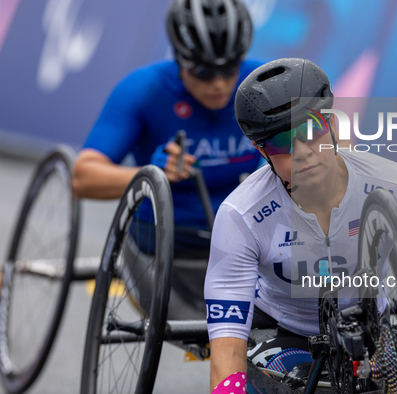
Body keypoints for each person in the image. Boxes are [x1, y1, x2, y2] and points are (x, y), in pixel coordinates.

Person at [205, 58, 397, 393]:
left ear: (330, 124)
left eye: (310, 129)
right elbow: (227, 346)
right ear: (262, 150)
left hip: (369, 325)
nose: (303, 151)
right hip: (283, 330)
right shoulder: (241, 215)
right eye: (282, 142)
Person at [72, 0, 262, 319]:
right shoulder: (145, 89)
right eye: (203, 72)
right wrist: (153, 174)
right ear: (179, 60)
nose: (218, 84)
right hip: (164, 246)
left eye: (229, 70)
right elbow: (82, 177)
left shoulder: (263, 84)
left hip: (239, 248)